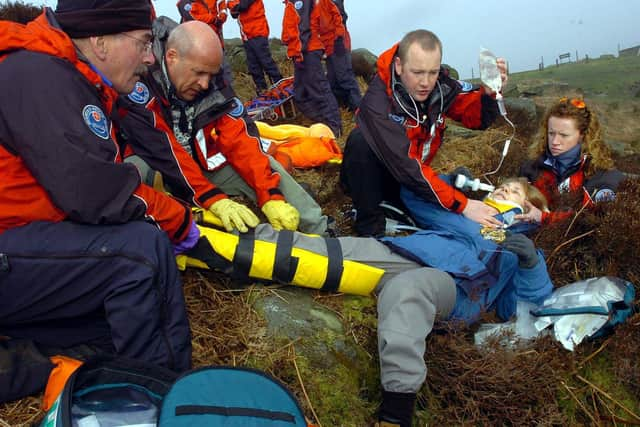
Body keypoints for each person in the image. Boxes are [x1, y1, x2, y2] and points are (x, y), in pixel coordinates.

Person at [181, 177, 552, 426]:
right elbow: (414, 200)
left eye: (513, 192)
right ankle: (198, 236)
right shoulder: (470, 212)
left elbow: (523, 309)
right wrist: (452, 191)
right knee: (317, 249)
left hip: (456, 288)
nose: (502, 192)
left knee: (410, 289)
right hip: (404, 250)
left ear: (533, 209)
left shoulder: (521, 248)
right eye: (500, 187)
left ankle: (397, 406)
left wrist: (530, 261)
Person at [0, 0, 195, 402]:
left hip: (19, 245)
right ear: (101, 40)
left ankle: (42, 364)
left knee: (120, 319)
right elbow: (91, 193)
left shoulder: (66, 75)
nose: (148, 57)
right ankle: (164, 397)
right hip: (9, 248)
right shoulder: (39, 76)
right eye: (142, 42)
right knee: (140, 254)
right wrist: (178, 221)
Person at [120, 18, 331, 235]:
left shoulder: (213, 81)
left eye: (209, 75)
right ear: (172, 57)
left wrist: (271, 195)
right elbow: (162, 150)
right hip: (158, 169)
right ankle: (147, 234)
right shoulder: (139, 79)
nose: (204, 83)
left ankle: (322, 230)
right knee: (134, 168)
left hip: (196, 166)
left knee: (266, 163)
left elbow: (240, 138)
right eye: (199, 73)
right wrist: (213, 199)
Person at [340, 29, 508, 237]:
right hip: (380, 176)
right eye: (417, 72)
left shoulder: (440, 86)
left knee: (435, 198)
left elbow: (476, 118)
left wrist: (489, 95)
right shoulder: (378, 103)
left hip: (414, 177)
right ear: (399, 66)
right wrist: (463, 205)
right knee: (360, 141)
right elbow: (407, 167)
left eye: (433, 72)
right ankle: (370, 225)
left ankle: (405, 210)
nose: (426, 82)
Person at [518, 97, 626, 224]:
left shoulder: (604, 177)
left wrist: (544, 218)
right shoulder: (530, 167)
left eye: (564, 135)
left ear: (582, 136)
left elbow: (597, 220)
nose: (555, 142)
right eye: (551, 133)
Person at [281, 0, 342, 136]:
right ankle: (322, 122)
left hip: (307, 50)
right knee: (300, 94)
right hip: (301, 51)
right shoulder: (291, 3)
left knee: (319, 90)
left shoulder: (300, 2)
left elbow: (303, 26)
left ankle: (334, 128)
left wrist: (299, 51)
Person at [227, 0, 283, 95]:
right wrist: (234, 6)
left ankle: (281, 87)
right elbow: (234, 14)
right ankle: (263, 92)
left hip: (257, 31)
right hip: (246, 35)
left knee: (266, 62)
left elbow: (243, 6)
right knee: (254, 66)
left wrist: (234, 6)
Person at [176, 0, 234, 86]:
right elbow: (191, 17)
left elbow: (222, 13)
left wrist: (220, 17)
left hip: (215, 43)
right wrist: (213, 19)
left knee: (224, 73)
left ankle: (229, 96)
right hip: (197, 45)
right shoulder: (184, 2)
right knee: (202, 76)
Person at [317, 0, 361, 111]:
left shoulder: (332, 2)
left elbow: (341, 19)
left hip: (338, 43)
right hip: (328, 46)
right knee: (333, 80)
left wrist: (338, 39)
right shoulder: (313, 4)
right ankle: (346, 108)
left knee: (345, 77)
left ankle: (359, 111)